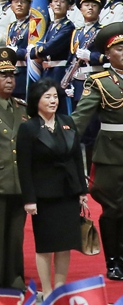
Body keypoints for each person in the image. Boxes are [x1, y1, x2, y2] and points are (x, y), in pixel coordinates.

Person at [71, 22, 123, 282]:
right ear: (108, 55)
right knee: (112, 209)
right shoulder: (99, 82)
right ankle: (112, 262)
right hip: (112, 155)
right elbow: (81, 117)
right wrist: (59, 137)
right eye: (118, 49)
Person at [17, 79, 86, 291]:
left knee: (65, 245)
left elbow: (76, 158)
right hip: (44, 196)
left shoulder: (67, 122)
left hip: (68, 193)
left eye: (55, 96)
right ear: (37, 100)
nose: (53, 100)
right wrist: (29, 199)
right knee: (46, 245)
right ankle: (47, 291)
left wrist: (82, 191)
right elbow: (24, 167)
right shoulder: (28, 128)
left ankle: (60, 288)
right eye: (47, 97)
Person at [0, 49, 24, 289]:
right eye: (3, 75)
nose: (9, 79)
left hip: (18, 182)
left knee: (16, 235)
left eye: (12, 74)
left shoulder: (20, 107)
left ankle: (14, 277)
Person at [27, 0, 75, 87]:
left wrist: (33, 51)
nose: (58, 4)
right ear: (50, 5)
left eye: (62, 2)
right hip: (47, 70)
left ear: (69, 6)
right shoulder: (50, 25)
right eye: (55, 1)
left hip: (59, 71)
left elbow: (50, 47)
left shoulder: (68, 27)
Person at [66, 0, 104, 110]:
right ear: (80, 9)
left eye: (94, 5)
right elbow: (71, 59)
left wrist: (91, 56)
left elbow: (111, 57)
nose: (90, 8)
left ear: (99, 9)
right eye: (87, 5)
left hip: (95, 81)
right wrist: (69, 83)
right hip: (77, 82)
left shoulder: (104, 31)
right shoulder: (77, 32)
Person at [4, 0, 30, 100]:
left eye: (23, 1)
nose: (19, 4)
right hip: (11, 73)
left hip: (26, 72)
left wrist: (16, 52)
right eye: (15, 2)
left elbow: (33, 51)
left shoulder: (34, 25)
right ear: (11, 6)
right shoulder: (12, 26)